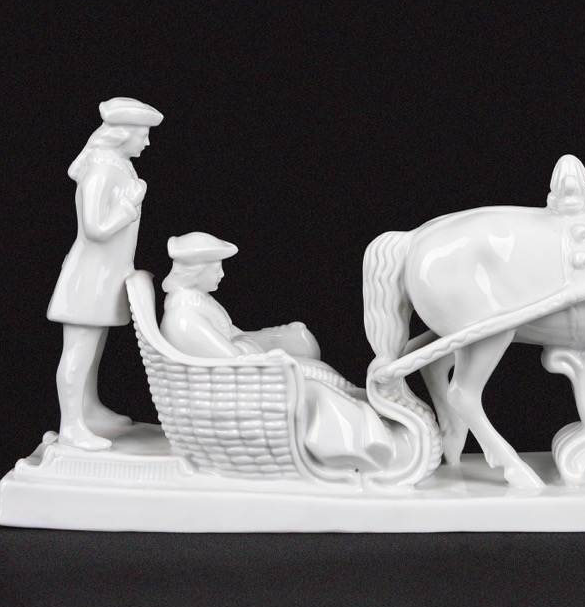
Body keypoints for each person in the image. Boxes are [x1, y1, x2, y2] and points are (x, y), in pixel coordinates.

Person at [159, 232, 395, 472]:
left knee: (318, 371)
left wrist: (271, 339)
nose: (221, 274)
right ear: (197, 272)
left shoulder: (200, 304)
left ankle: (375, 418)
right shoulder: (184, 318)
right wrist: (266, 352)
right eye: (216, 268)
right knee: (314, 390)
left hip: (240, 379)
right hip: (229, 391)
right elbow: (235, 361)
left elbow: (235, 338)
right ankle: (359, 448)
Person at [47, 97, 163, 450]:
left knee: (93, 350)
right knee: (79, 350)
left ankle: (88, 410)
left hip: (104, 275)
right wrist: (129, 204)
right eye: (143, 134)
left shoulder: (119, 166)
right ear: (122, 134)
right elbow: (94, 229)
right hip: (89, 276)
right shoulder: (102, 170)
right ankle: (71, 426)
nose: (147, 142)